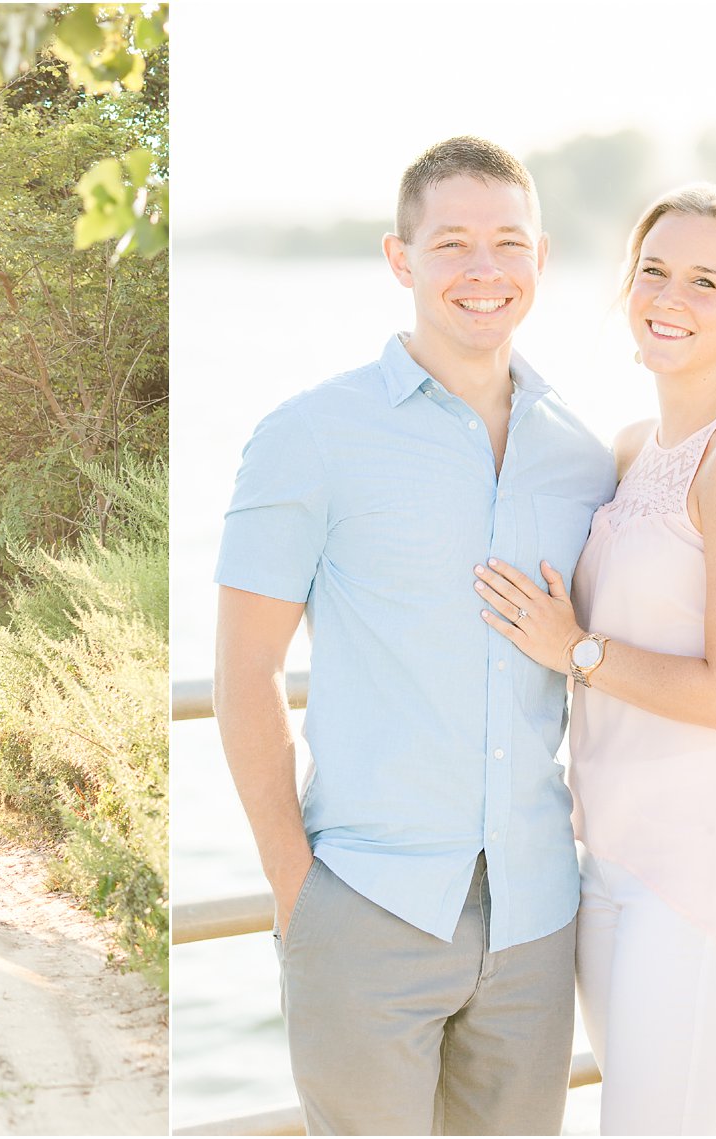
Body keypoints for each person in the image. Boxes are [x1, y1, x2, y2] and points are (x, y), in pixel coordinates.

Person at [213, 136, 615, 1135]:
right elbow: (243, 667)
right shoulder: (308, 434)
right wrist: (293, 886)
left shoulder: (579, 454)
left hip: (533, 912)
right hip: (363, 902)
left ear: (539, 257)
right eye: (451, 244)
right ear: (400, 259)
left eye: (506, 243)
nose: (482, 270)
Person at [473, 183, 716, 1134]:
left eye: (705, 281)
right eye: (654, 271)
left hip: (702, 871)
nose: (669, 297)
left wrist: (575, 649)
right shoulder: (634, 449)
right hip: (610, 855)